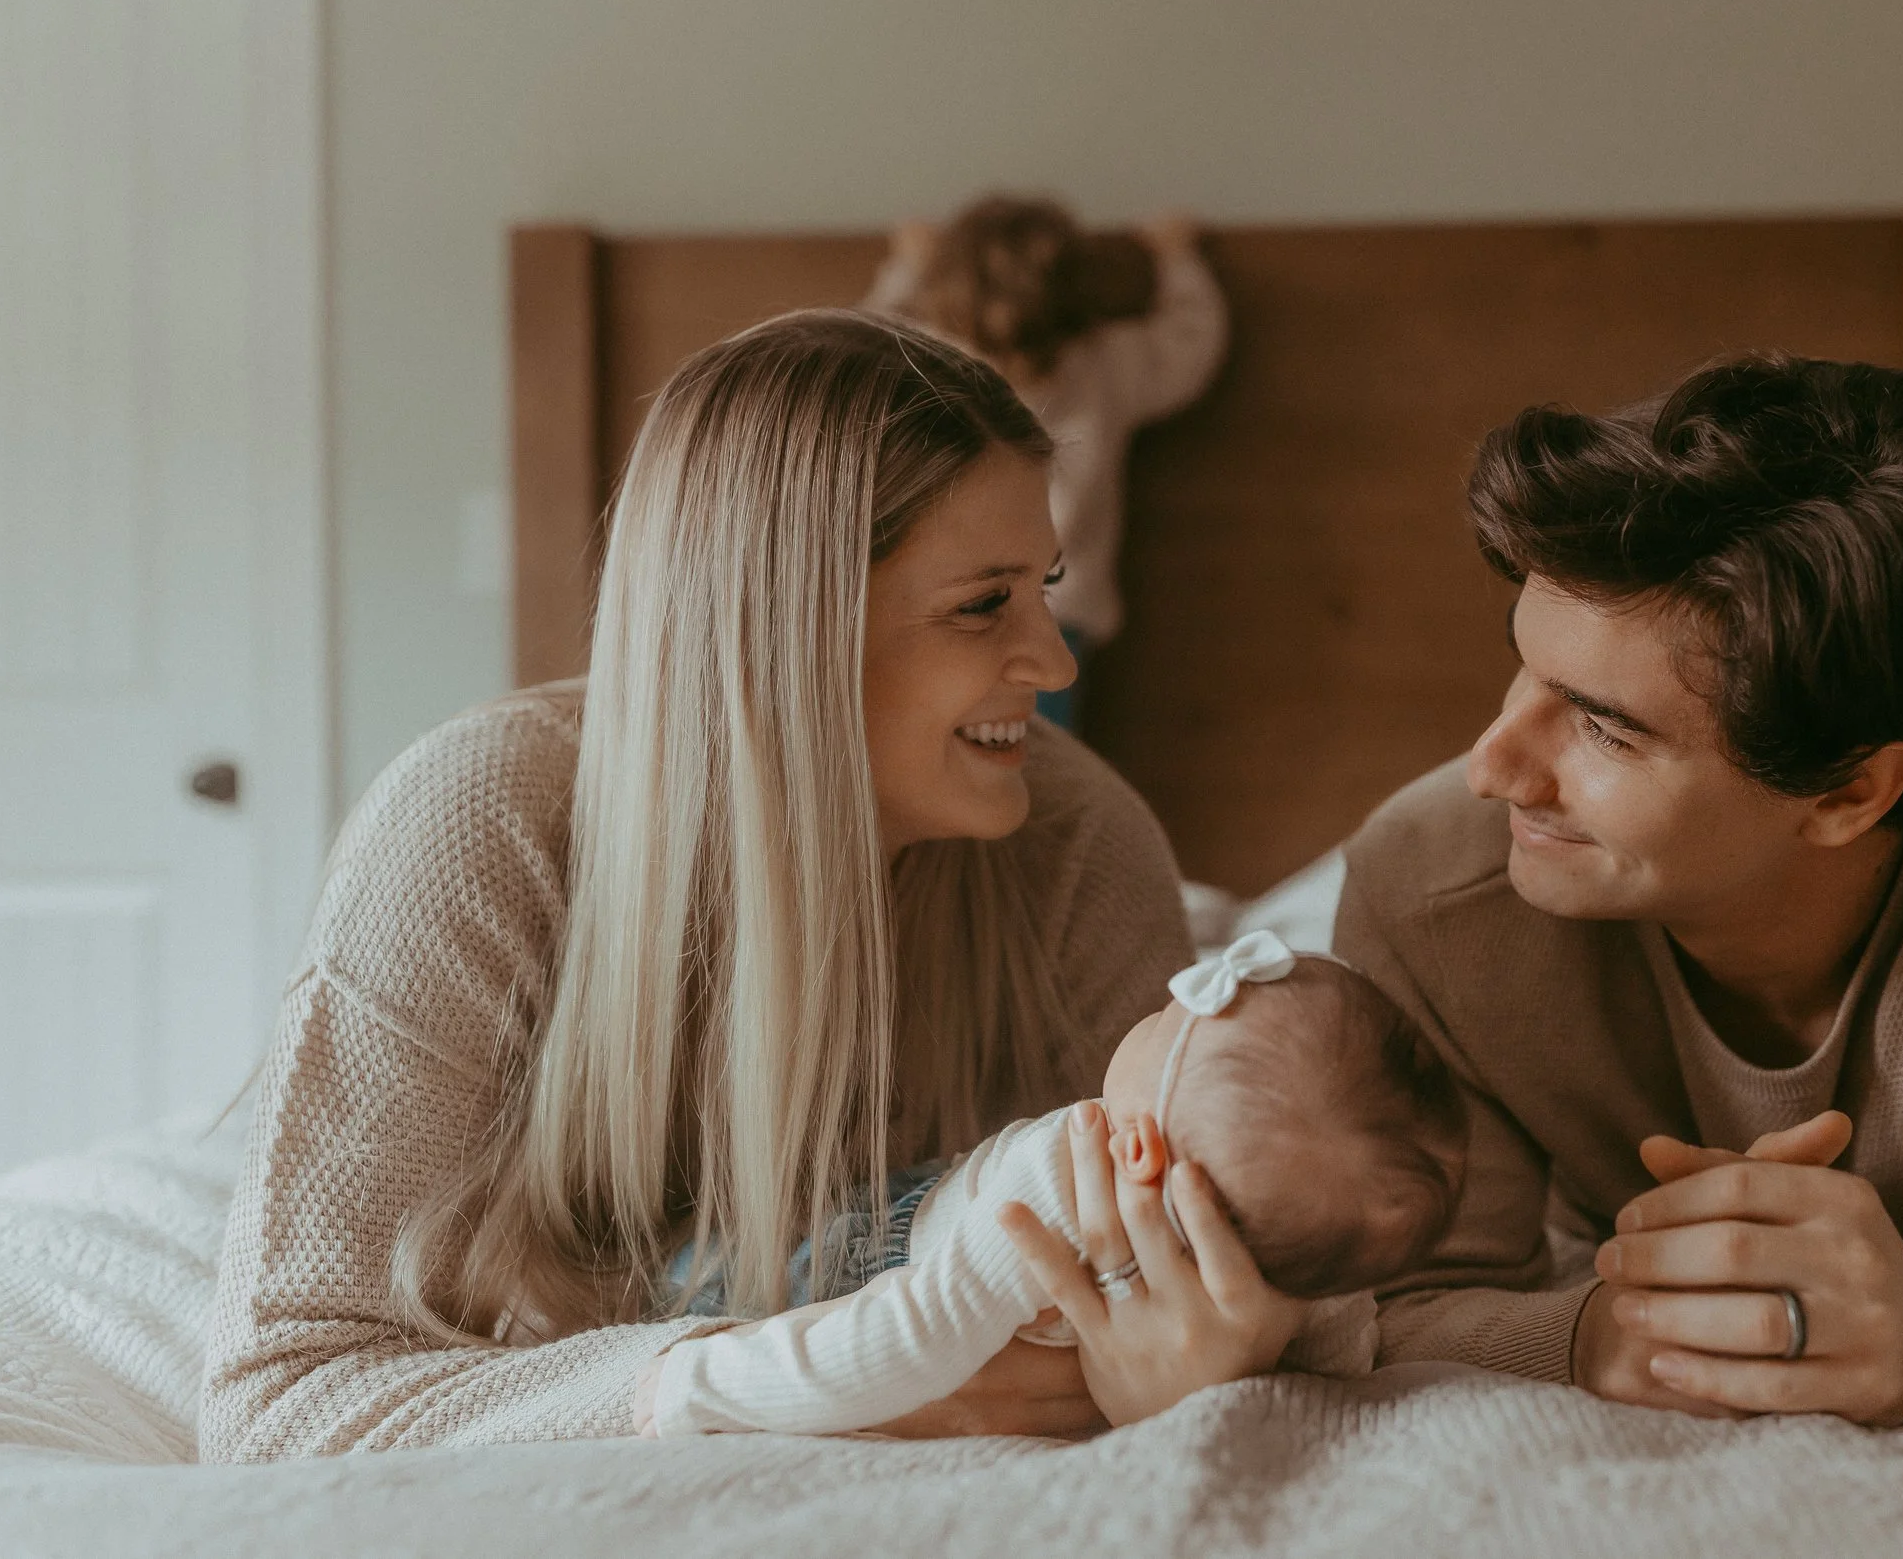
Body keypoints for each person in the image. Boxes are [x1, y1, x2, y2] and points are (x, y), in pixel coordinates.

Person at [201, 310, 1300, 1459]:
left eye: (1047, 585)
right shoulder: (478, 824)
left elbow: (1164, 1273)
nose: (1057, 659)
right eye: (984, 603)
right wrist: (825, 1384)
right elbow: (278, 1400)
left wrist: (1193, 1345)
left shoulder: (1081, 843)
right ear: (787, 624)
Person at [1338, 353, 1903, 1428]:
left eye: (1600, 725)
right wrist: (1586, 1337)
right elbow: (1377, 1310)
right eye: (1523, 666)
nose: (1495, 765)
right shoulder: (1426, 889)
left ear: (1848, 790)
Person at [636, 934, 1468, 1438]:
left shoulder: (1058, 1185)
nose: (1149, 1009)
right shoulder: (1304, 1259)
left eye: (1165, 1018)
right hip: (906, 1217)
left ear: (1141, 1152)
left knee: (691, 1281)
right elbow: (1343, 1360)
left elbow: (905, 1334)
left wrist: (698, 1387)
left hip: (857, 1255)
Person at [868, 195, 1229, 733]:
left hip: (952, 602)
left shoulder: (935, 360)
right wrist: (1174, 261)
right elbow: (1190, 345)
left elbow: (862, 347)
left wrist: (909, 269)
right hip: (1058, 604)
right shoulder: (1106, 364)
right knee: (1042, 756)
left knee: (960, 741)